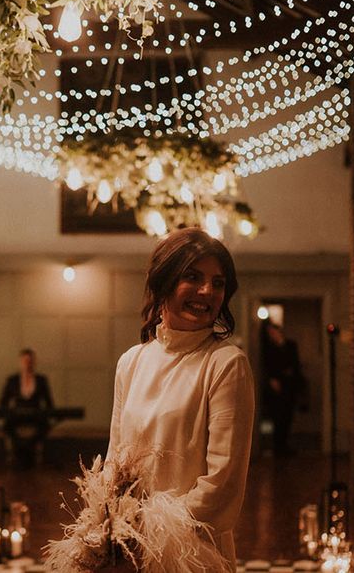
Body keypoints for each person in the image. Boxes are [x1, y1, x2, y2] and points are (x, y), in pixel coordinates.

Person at [106, 228, 254, 572]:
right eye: (193, 277)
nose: (207, 291)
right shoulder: (132, 361)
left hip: (193, 552)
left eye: (217, 283)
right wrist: (115, 527)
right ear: (163, 282)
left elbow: (222, 484)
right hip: (130, 551)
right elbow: (115, 462)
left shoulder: (227, 363)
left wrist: (155, 531)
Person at [0, 348, 54, 467]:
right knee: (8, 427)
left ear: (34, 362)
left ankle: (36, 455)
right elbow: (3, 402)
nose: (27, 364)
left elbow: (49, 403)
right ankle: (14, 455)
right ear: (20, 362)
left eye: (30, 361)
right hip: (17, 418)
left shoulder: (41, 380)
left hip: (36, 418)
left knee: (44, 426)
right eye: (25, 361)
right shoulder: (12, 380)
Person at [260, 318, 305, 456]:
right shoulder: (269, 348)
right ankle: (278, 446)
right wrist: (274, 378)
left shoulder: (291, 345)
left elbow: (295, 364)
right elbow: (269, 366)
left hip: (289, 385)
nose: (272, 334)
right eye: (270, 332)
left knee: (288, 416)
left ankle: (284, 445)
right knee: (277, 416)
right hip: (276, 386)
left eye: (274, 331)